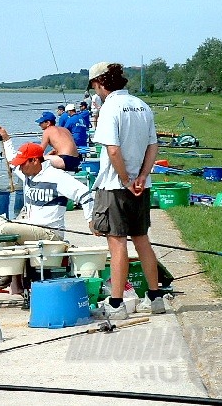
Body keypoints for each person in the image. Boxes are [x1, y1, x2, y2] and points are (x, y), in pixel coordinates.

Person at [87, 62, 164, 320]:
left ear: (100, 83)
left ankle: (117, 304)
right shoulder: (142, 105)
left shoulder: (109, 108)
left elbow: (113, 150)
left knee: (117, 242)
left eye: (95, 87)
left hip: (114, 185)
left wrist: (126, 179)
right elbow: (153, 147)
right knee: (142, 239)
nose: (96, 92)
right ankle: (155, 298)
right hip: (142, 185)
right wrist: (142, 176)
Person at [0, 127, 94, 293]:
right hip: (31, 228)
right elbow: (12, 160)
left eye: (23, 164)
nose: (20, 168)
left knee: (3, 229)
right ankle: (14, 278)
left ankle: (10, 274)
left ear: (35, 161)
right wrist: (6, 139)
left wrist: (90, 220)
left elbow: (85, 194)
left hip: (50, 233)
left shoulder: (57, 176)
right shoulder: (27, 174)